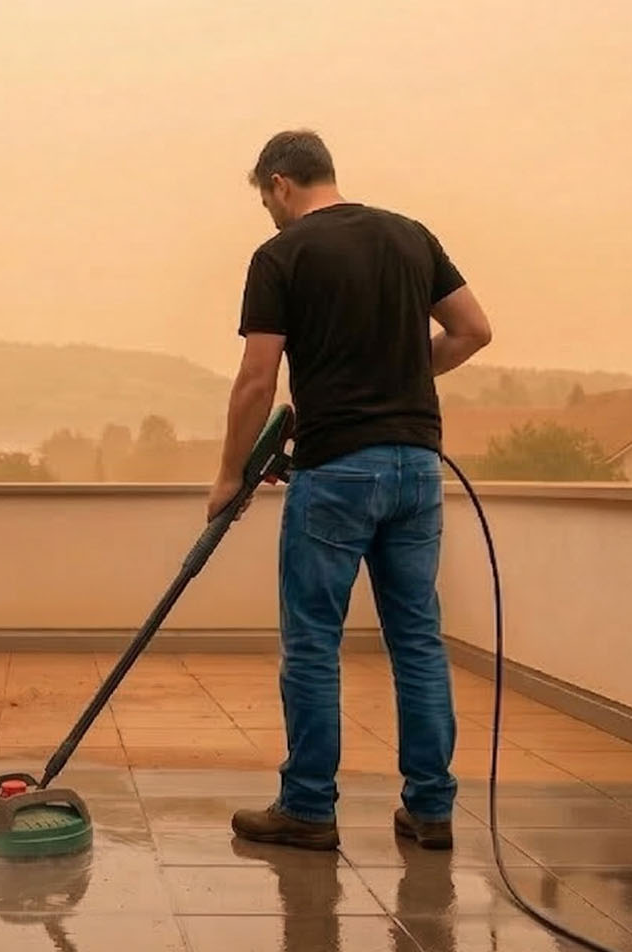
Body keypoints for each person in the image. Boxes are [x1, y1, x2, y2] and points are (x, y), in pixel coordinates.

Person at [209, 130, 492, 852]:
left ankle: (307, 808)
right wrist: (398, 376)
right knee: (418, 640)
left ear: (278, 185)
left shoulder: (282, 254)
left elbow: (256, 378)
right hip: (417, 471)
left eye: (265, 199)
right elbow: (472, 331)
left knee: (312, 643)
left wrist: (229, 476)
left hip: (337, 471)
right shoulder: (410, 236)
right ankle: (430, 809)